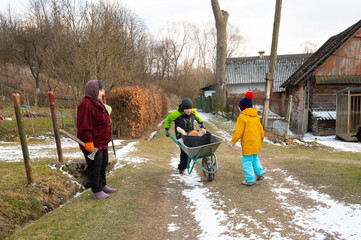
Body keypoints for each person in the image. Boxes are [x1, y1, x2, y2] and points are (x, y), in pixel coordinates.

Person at [77, 80, 116, 199]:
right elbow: (84, 126)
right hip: (92, 143)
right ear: (94, 90)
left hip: (102, 142)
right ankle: (96, 190)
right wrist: (88, 141)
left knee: (103, 164)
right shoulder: (86, 104)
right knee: (95, 166)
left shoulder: (98, 102)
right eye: (101, 89)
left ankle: (103, 185)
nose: (103, 92)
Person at [228, 92, 266, 186]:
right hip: (256, 143)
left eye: (239, 108)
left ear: (242, 108)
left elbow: (238, 132)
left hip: (248, 144)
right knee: (255, 158)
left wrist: (232, 142)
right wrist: (260, 140)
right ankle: (260, 173)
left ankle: (250, 179)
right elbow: (261, 131)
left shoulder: (242, 118)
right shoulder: (256, 117)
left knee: (247, 161)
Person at [165, 98, 205, 173]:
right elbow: (168, 118)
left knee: (191, 150)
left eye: (190, 108)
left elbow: (197, 117)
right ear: (183, 108)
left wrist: (201, 122)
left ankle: (187, 164)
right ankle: (181, 168)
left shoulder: (193, 112)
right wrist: (166, 129)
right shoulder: (176, 114)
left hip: (191, 134)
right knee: (184, 152)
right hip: (181, 136)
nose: (189, 111)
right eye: (186, 109)